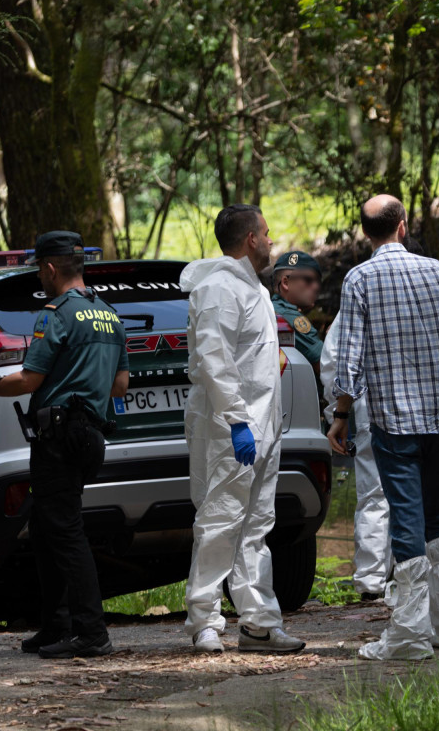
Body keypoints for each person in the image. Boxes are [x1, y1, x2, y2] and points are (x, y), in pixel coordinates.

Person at [326, 195, 439, 661]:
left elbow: (349, 358)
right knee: (438, 517)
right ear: (403, 226)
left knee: (407, 520)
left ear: (365, 233)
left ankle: (411, 635)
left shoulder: (359, 279)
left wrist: (341, 415)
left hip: (393, 421)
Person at [0, 231, 129, 660]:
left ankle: (92, 632)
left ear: (49, 268)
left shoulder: (56, 315)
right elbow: (120, 385)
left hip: (59, 437)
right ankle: (56, 625)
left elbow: (30, 380)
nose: (39, 279)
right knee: (46, 528)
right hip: (90, 435)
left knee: (64, 531)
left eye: (39, 272)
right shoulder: (109, 315)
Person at [180, 204, 306, 655]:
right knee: (220, 521)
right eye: (267, 233)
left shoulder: (254, 289)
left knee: (256, 526)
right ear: (251, 239)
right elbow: (214, 360)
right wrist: (236, 421)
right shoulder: (217, 289)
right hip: (227, 426)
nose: (272, 241)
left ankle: (258, 623)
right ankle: (204, 620)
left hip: (262, 424)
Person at [320, 307, 392, 602]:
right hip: (427, 412)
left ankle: (372, 581)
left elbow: (335, 360)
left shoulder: (361, 292)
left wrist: (337, 414)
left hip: (372, 410)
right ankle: (415, 577)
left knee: (374, 495)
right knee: (418, 494)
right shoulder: (435, 286)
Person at [269, 251, 324, 372]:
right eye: (308, 280)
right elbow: (326, 364)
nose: (316, 287)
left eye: (317, 281)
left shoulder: (273, 308)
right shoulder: (289, 317)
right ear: (286, 283)